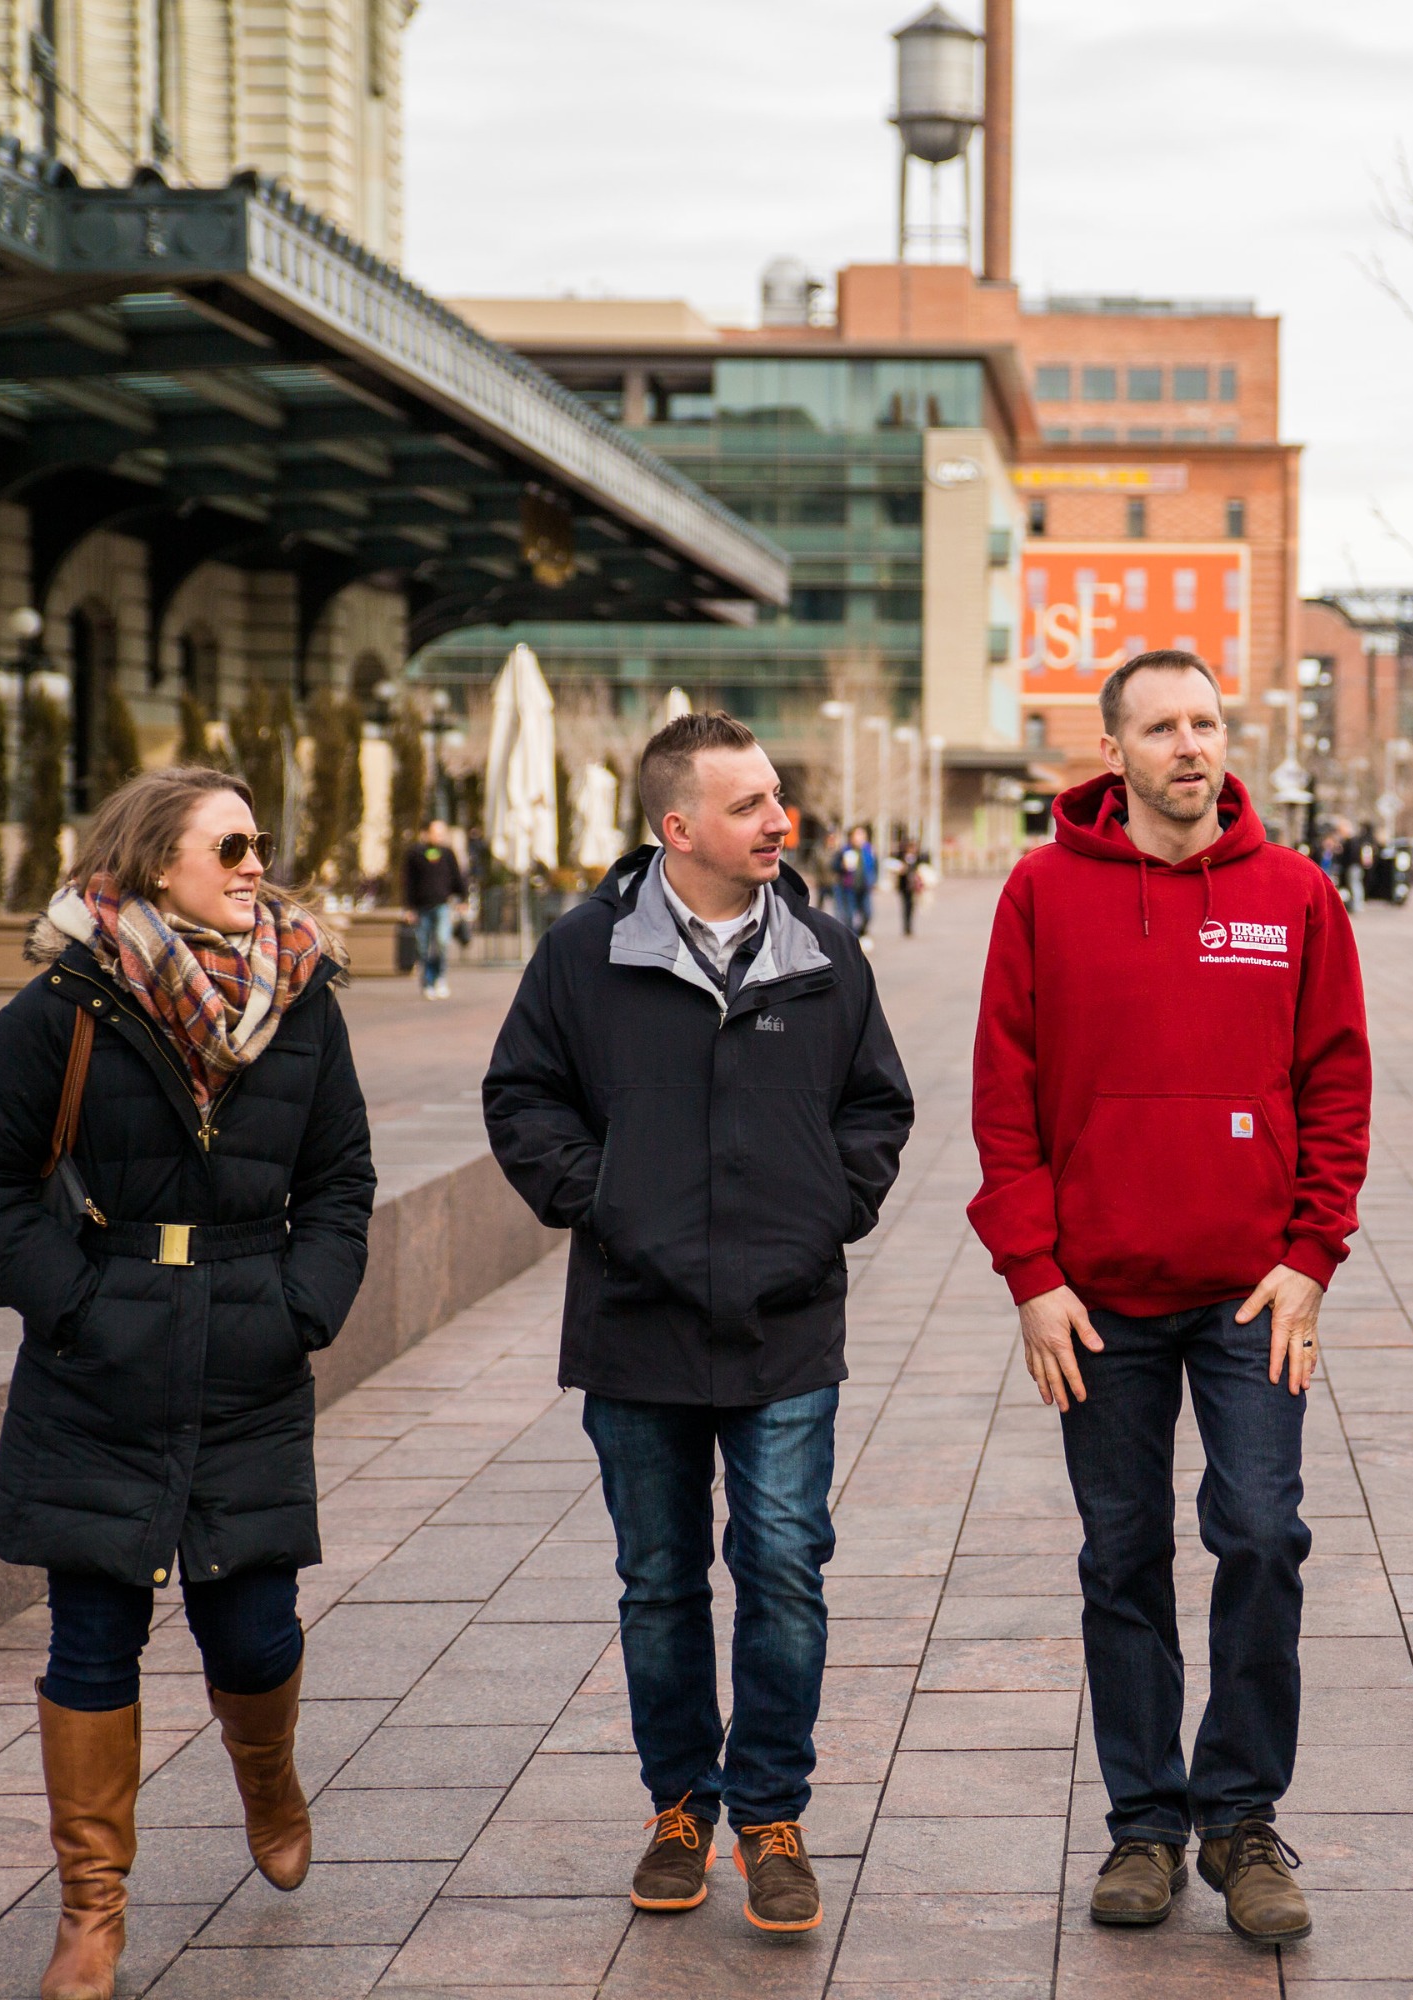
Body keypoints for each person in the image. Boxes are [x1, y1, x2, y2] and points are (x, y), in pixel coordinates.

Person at [0, 768, 373, 2000]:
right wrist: (75, 1302)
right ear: (150, 863)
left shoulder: (302, 996)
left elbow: (342, 1176)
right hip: (100, 1352)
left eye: (260, 842)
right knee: (93, 1634)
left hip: (248, 1339)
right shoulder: (66, 999)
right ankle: (91, 1908)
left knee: (254, 1625)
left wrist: (306, 1305)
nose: (253, 863)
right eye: (228, 844)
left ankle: (269, 1776)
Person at [483, 712, 914, 1935]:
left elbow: (877, 1102)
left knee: (784, 1568)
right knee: (660, 1579)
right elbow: (522, 1097)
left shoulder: (827, 950)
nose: (781, 819)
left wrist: (827, 1209)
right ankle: (681, 1803)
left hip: (785, 1324)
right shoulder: (581, 954)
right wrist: (606, 1203)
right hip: (634, 1323)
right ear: (678, 828)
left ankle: (771, 1813)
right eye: (749, 804)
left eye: (778, 797)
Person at [970, 649, 1371, 1945]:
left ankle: (1242, 1819)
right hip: (1099, 1302)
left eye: (1205, 722)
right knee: (1122, 1555)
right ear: (1117, 751)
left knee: (1263, 1535)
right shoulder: (1040, 893)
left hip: (1254, 1293)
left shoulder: (1296, 892)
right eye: (1162, 727)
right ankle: (1146, 1822)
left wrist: (1311, 1255)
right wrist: (1033, 1275)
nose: (1191, 745)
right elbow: (1004, 1097)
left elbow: (1337, 1084)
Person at [400, 817, 468, 1000]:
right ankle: (427, 982)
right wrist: (409, 908)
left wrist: (463, 898)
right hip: (421, 908)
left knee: (441, 943)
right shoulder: (414, 854)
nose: (440, 836)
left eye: (442, 832)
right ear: (426, 833)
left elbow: (457, 876)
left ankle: (440, 978)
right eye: (436, 832)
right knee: (423, 947)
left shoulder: (447, 853)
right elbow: (408, 882)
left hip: (442, 906)